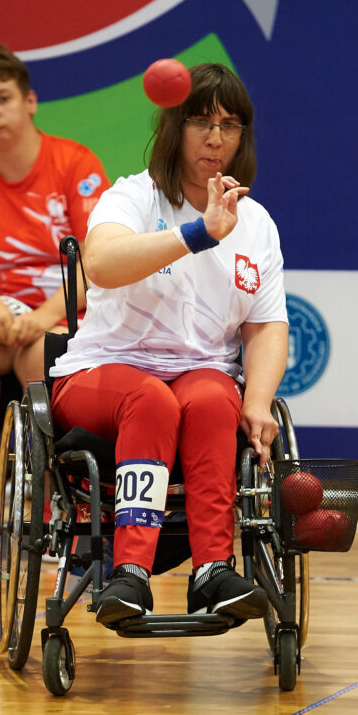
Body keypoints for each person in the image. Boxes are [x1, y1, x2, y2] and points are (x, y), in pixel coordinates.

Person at [49, 63, 289, 624]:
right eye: (200, 121)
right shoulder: (131, 196)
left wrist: (257, 399)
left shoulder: (257, 224)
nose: (215, 137)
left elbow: (266, 326)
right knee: (150, 399)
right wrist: (197, 233)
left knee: (213, 399)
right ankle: (129, 573)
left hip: (198, 373)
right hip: (103, 373)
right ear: (174, 129)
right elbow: (103, 265)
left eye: (229, 124)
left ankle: (213, 570)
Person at [0, 44, 110, 526]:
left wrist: (40, 317)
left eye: (2, 98)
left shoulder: (75, 165)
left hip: (67, 311)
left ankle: (62, 492)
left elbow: (93, 262)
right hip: (6, 314)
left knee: (44, 349)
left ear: (29, 102)